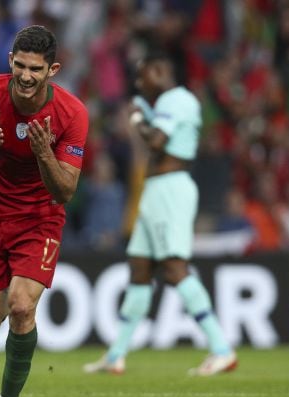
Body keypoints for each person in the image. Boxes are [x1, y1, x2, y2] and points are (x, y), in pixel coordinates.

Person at [0, 25, 89, 397]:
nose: (26, 76)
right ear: (11, 60)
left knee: (22, 306)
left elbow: (64, 192)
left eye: (36, 69)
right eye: (21, 65)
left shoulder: (72, 114)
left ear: (53, 70)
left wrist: (44, 153)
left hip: (37, 220)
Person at [83, 51, 238, 377]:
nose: (139, 83)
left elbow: (156, 141)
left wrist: (139, 117)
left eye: (143, 76)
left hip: (170, 189)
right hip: (156, 191)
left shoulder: (175, 99)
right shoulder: (172, 102)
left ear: (159, 71)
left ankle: (221, 349)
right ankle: (116, 355)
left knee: (174, 267)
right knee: (140, 268)